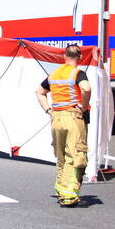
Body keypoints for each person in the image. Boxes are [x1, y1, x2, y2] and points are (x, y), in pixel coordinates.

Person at [35, 44, 92, 207]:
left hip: (56, 118)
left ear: (64, 56)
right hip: (73, 117)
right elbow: (86, 88)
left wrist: (48, 109)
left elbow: (39, 91)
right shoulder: (78, 73)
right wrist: (83, 105)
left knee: (60, 155)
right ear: (79, 57)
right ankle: (69, 194)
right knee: (75, 155)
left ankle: (60, 188)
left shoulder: (54, 74)